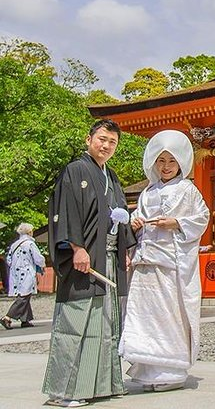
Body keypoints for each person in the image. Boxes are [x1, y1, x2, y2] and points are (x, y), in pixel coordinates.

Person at [42, 119, 134, 408]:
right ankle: (66, 390)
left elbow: (120, 214)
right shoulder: (76, 170)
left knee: (106, 324)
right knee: (76, 322)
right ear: (89, 139)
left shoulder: (112, 176)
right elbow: (66, 210)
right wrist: (77, 247)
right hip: (84, 258)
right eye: (102, 139)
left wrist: (125, 248)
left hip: (108, 258)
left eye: (112, 142)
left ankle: (102, 385)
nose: (106, 146)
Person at [119, 129, 209, 392]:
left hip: (171, 264)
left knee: (168, 316)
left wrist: (176, 223)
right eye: (161, 161)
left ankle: (170, 370)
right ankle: (147, 371)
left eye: (171, 161)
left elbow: (201, 219)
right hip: (145, 261)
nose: (166, 167)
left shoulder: (188, 190)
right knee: (143, 316)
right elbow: (138, 221)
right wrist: (134, 224)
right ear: (154, 163)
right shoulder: (147, 193)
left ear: (180, 162)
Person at [1, 223, 46, 330]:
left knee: (24, 294)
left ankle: (25, 319)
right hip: (27, 271)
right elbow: (38, 257)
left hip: (15, 273)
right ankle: (7, 317)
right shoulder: (29, 244)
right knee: (24, 296)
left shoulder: (14, 245)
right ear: (29, 232)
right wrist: (42, 264)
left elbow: (8, 260)